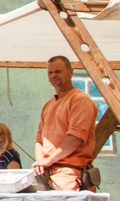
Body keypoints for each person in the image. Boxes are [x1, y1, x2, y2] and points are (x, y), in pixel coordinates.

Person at [34, 56, 98, 191]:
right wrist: (41, 164)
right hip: (47, 175)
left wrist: (49, 160)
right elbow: (39, 139)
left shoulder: (80, 100)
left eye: (58, 71)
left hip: (70, 175)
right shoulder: (48, 105)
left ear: (70, 72)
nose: (54, 75)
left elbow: (75, 137)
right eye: (50, 72)